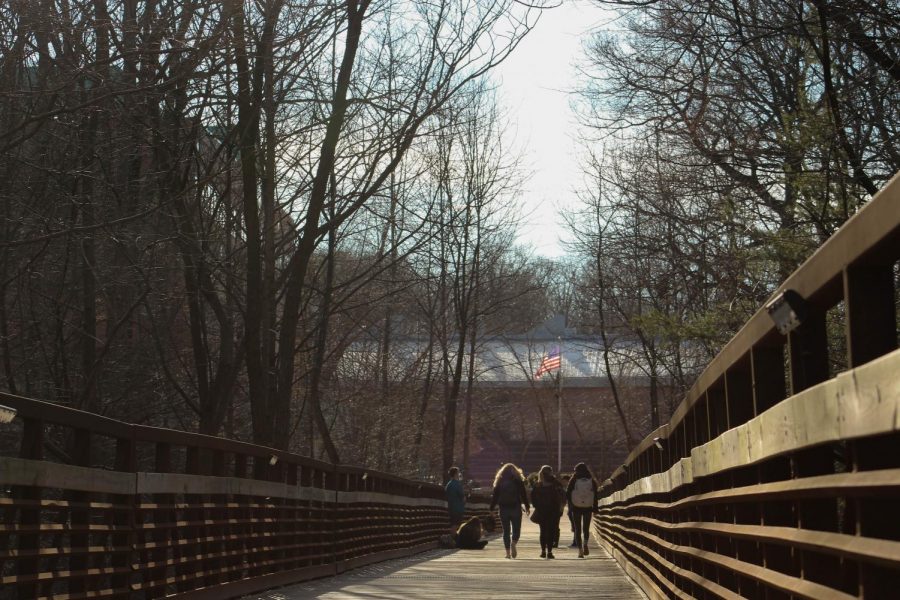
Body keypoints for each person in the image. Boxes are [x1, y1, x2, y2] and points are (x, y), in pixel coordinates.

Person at [489, 462, 530, 559]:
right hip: (515, 507)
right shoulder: (517, 480)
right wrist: (527, 506)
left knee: (506, 531)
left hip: (503, 508)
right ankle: (514, 543)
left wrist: (491, 509)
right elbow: (523, 495)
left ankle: (507, 553)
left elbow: (495, 497)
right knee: (516, 530)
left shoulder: (500, 481)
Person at [530, 465, 565, 558]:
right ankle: (549, 552)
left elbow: (532, 498)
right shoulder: (555, 483)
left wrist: (536, 506)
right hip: (553, 511)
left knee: (543, 531)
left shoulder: (538, 484)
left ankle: (543, 551)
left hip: (541, 511)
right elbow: (562, 495)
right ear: (551, 472)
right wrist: (561, 507)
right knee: (551, 531)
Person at [566, 462, 598, 558]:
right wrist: (595, 508)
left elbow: (567, 492)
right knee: (586, 528)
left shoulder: (574, 479)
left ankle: (580, 550)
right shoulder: (591, 480)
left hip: (576, 507)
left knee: (577, 529)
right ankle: (585, 544)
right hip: (588, 507)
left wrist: (570, 505)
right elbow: (595, 494)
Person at [445, 466, 466, 532]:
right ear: (455, 474)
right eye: (458, 473)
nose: (459, 474)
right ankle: (455, 538)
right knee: (457, 525)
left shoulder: (448, 484)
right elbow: (462, 497)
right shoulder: (457, 484)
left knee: (453, 524)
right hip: (458, 508)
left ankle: (453, 538)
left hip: (451, 507)